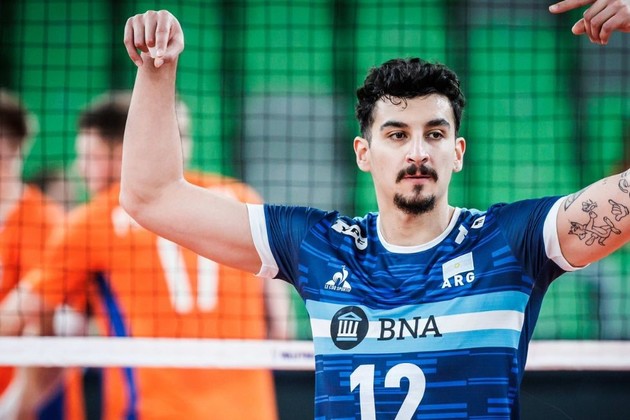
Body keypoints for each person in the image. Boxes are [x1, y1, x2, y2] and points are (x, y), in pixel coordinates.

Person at [120, 0, 630, 418]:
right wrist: (157, 70)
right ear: (364, 153)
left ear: (457, 152)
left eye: (435, 134)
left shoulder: (509, 242)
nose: (417, 153)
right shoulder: (319, 247)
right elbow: (152, 196)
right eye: (397, 135)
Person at [0, 91, 288, 419]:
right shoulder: (242, 199)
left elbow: (14, 315)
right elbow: (280, 326)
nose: (80, 169)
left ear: (124, 151)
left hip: (149, 412)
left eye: (89, 156)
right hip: (248, 411)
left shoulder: (94, 220)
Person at [0, 90, 79, 419]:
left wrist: (14, 408)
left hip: (33, 403)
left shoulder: (49, 224)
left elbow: (51, 326)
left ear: (16, 150)